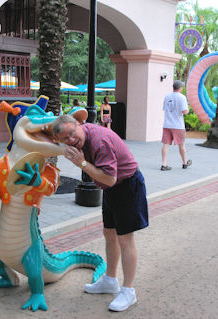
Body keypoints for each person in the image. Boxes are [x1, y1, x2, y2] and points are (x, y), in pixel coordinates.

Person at [52, 115, 149, 312]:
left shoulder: (99, 141)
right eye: (65, 139)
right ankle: (110, 280)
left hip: (127, 185)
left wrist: (82, 164)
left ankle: (128, 291)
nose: (71, 140)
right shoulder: (82, 138)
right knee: (109, 233)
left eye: (72, 133)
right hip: (112, 189)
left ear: (79, 125)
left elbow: (110, 178)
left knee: (125, 239)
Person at [161, 80, 192, 171]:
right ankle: (184, 163)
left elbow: (165, 109)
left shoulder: (167, 96)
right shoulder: (182, 97)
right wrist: (188, 109)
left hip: (167, 124)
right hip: (178, 125)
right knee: (181, 145)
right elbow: (184, 111)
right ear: (180, 88)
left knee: (166, 144)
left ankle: (164, 164)